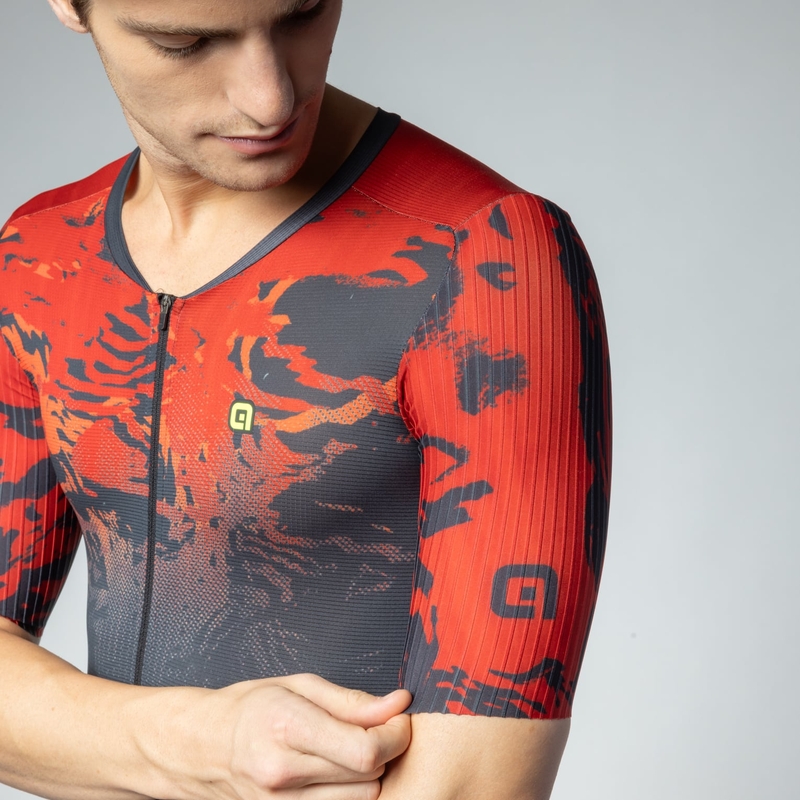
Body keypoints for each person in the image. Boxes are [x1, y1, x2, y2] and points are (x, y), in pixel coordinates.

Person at [0, 0, 612, 797]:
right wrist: (207, 748)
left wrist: (87, 741)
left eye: (304, 13)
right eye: (187, 41)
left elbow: (477, 784)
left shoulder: (488, 255)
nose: (272, 98)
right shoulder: (38, 258)